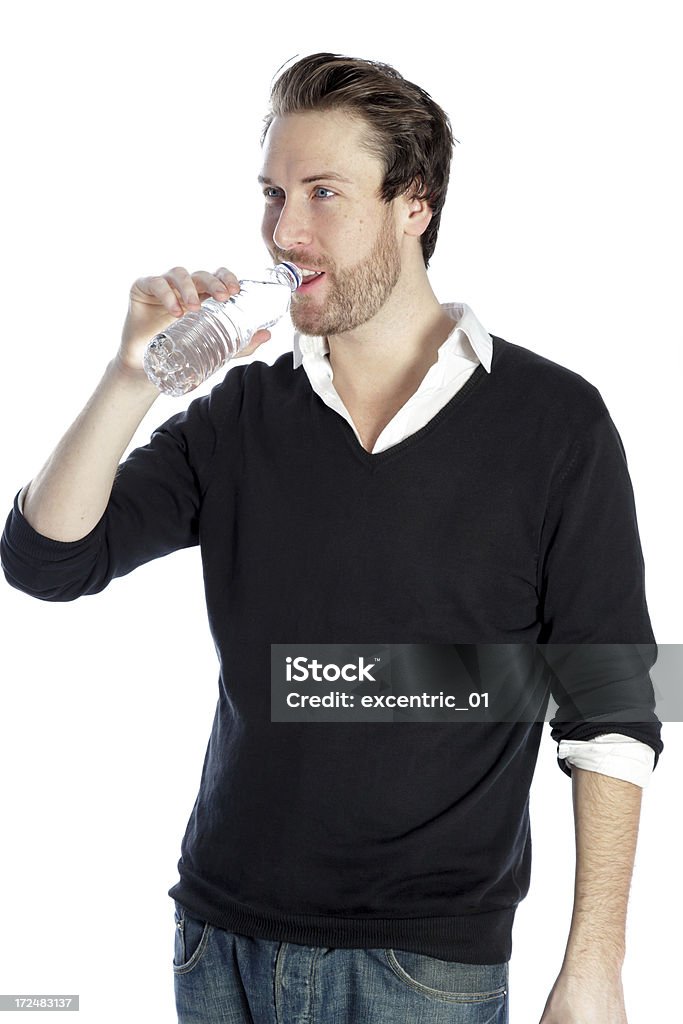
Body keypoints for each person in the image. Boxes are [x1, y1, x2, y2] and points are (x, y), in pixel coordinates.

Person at [0, 52, 663, 1024]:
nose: (284, 231)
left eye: (322, 192)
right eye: (271, 194)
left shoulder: (551, 422)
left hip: (421, 966)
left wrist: (594, 963)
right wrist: (131, 375)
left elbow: (609, 700)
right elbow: (48, 559)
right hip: (218, 940)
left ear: (413, 205)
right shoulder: (241, 414)